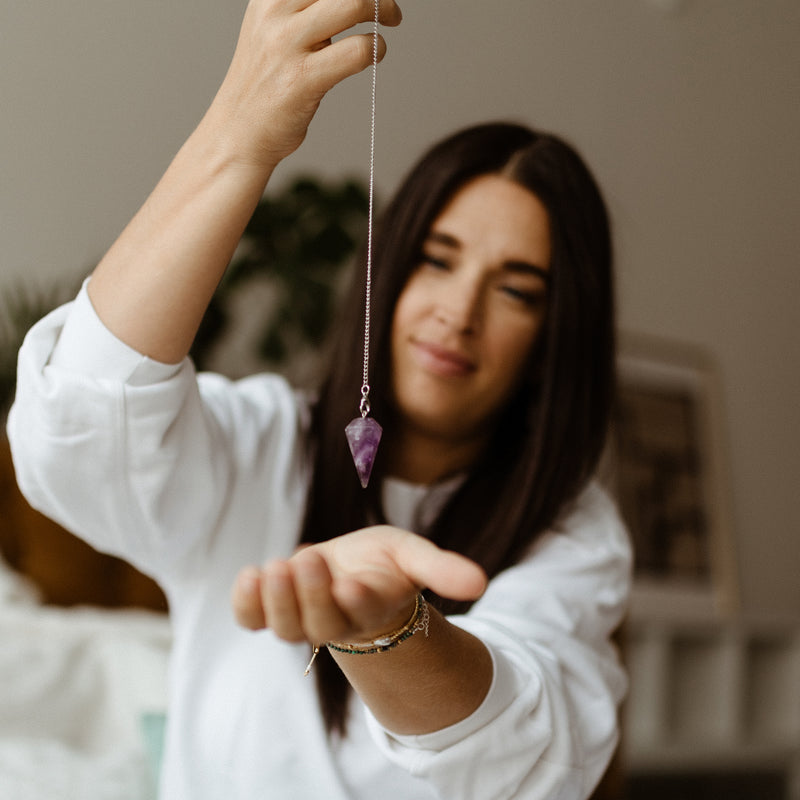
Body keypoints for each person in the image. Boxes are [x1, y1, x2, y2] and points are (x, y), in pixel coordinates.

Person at [7, 1, 631, 798]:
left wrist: (389, 629)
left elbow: (525, 754)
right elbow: (79, 432)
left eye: (515, 289)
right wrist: (240, 132)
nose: (458, 311)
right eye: (436, 261)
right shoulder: (260, 444)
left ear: (555, 337)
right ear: (389, 269)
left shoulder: (573, 534)